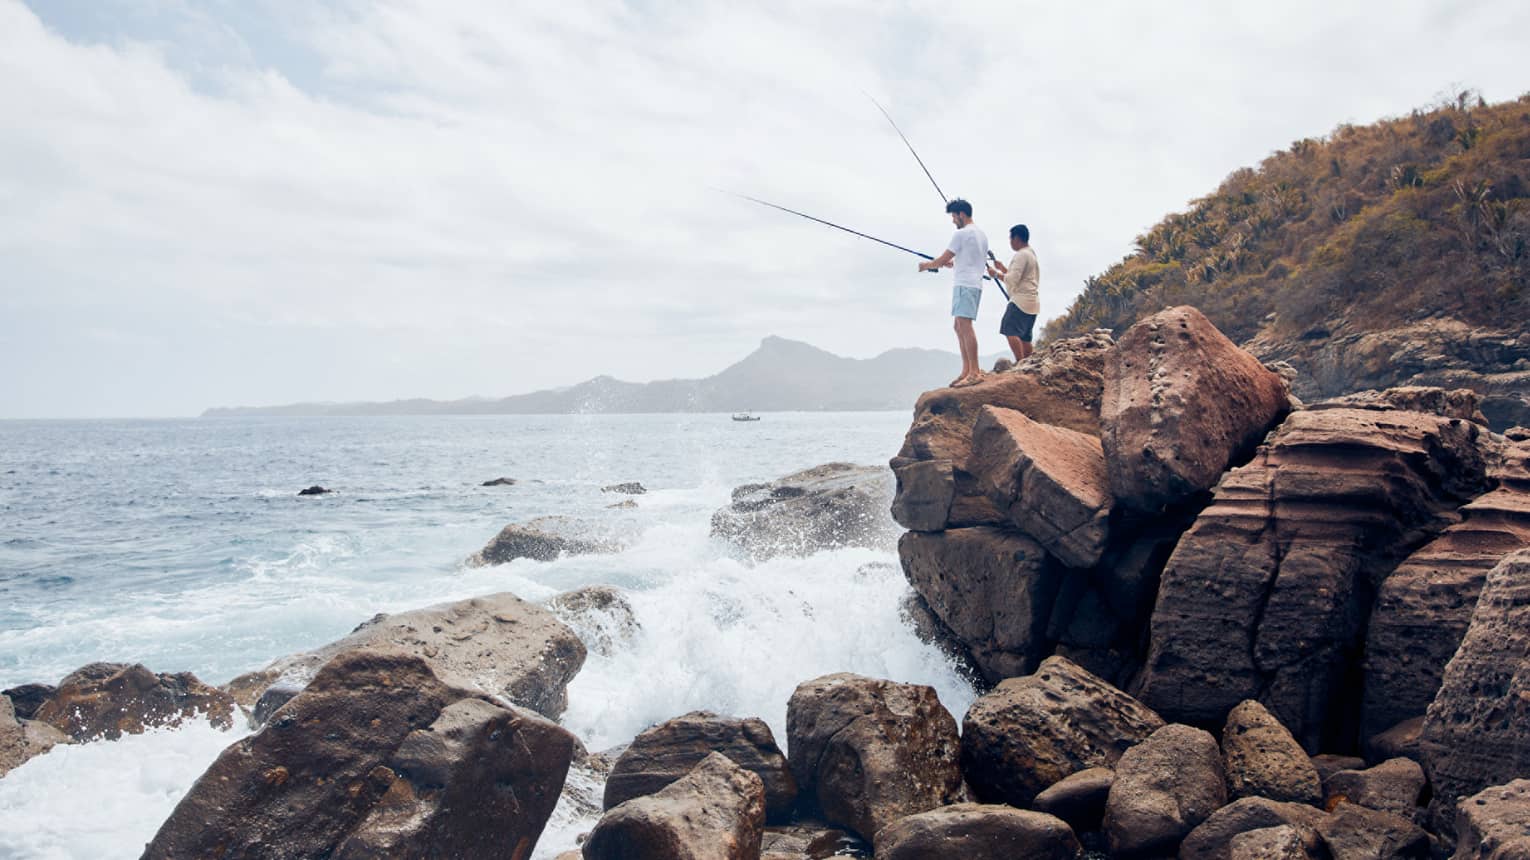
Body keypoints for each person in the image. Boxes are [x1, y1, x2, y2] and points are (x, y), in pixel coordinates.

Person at [917, 198, 989, 387]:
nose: (953, 221)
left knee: (965, 326)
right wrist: (954, 264)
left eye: (954, 216)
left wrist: (926, 265)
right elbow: (972, 260)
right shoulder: (981, 234)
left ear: (961, 215)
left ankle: (974, 372)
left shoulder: (961, 234)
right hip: (974, 283)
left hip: (965, 284)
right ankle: (966, 370)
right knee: (958, 326)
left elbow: (942, 258)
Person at [987, 224, 1040, 362]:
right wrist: (1003, 268)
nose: (1010, 242)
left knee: (1009, 329)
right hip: (1032, 303)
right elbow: (1022, 277)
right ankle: (1029, 363)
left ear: (1017, 238)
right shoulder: (1030, 253)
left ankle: (1020, 362)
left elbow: (1012, 280)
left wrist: (995, 274)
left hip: (1020, 302)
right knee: (1025, 337)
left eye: (1011, 239)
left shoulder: (1021, 255)